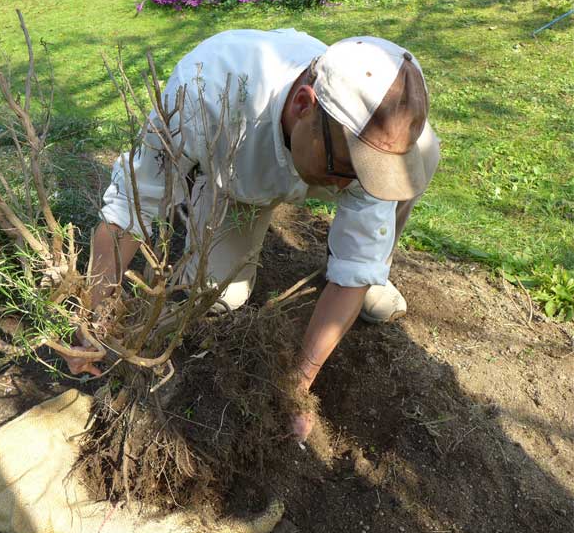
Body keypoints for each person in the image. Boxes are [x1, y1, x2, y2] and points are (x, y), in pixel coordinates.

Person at [64, 29, 440, 441]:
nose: (362, 184)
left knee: (419, 160)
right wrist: (94, 315)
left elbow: (353, 251)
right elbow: (131, 208)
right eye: (353, 168)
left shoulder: (367, 148)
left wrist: (296, 388)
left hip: (313, 153)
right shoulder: (204, 94)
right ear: (303, 106)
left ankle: (377, 273)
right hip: (239, 170)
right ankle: (204, 199)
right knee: (220, 297)